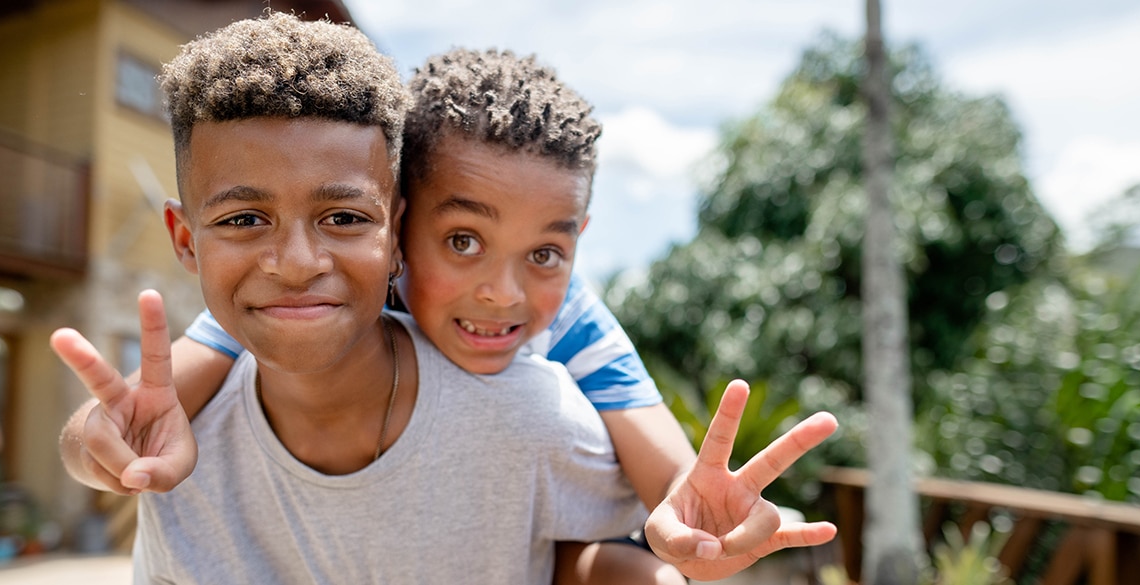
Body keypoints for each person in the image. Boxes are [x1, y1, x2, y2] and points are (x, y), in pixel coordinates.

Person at [57, 18, 840, 585]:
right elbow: (141, 421)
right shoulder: (272, 322)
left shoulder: (563, 340)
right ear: (410, 230)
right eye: (462, 241)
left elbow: (661, 499)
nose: (501, 290)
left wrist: (691, 538)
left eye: (544, 253)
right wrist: (98, 443)